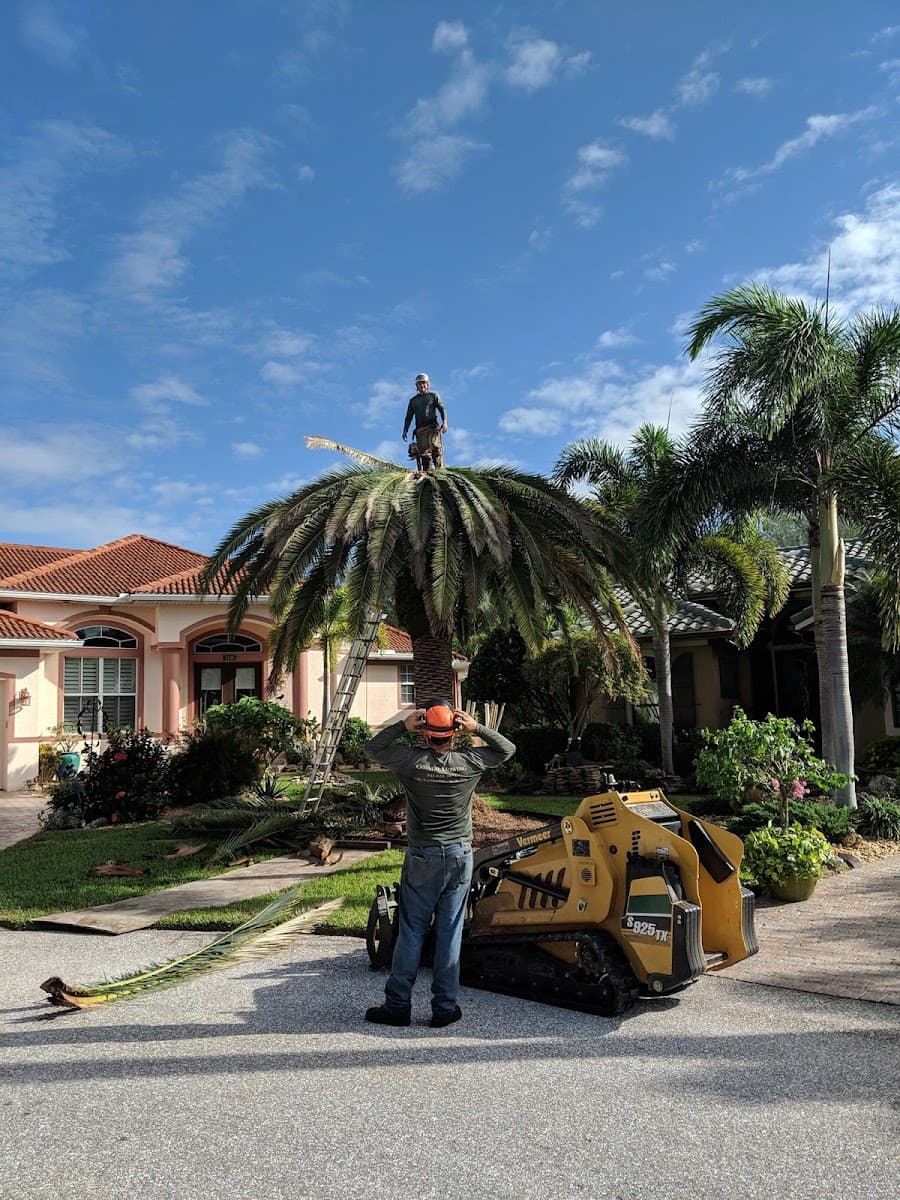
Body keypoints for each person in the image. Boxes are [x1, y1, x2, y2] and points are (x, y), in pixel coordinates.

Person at [364, 699, 515, 1028]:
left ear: (426, 733)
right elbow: (507, 749)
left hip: (423, 857)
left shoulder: (412, 762)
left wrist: (403, 725)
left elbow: (373, 748)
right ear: (454, 732)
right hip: (460, 856)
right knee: (449, 933)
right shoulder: (469, 761)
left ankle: (398, 1006)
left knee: (412, 931)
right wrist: (477, 728)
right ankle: (445, 1009)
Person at [402, 373, 447, 472]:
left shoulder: (433, 396)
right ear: (416, 386)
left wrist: (445, 422)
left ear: (428, 384)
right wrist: (405, 430)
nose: (422, 386)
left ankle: (441, 472)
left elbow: (441, 408)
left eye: (424, 383)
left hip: (432, 428)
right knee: (424, 455)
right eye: (420, 384)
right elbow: (408, 417)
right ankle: (428, 474)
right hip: (420, 431)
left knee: (436, 449)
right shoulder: (413, 401)